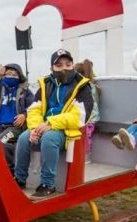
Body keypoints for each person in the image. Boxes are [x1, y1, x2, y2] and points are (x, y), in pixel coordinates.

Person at [14, 49, 94, 197]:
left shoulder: (82, 86)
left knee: (49, 138)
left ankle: (47, 184)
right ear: (52, 68)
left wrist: (50, 123)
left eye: (68, 64)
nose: (64, 68)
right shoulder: (45, 85)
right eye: (59, 65)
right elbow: (34, 109)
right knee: (23, 138)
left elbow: (80, 116)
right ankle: (19, 179)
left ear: (72, 66)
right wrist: (34, 128)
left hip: (67, 130)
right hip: (43, 126)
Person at [0, 63, 34, 173]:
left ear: (20, 77)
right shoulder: (0, 90)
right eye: (8, 73)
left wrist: (24, 115)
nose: (11, 76)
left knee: (2, 140)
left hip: (15, 127)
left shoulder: (25, 92)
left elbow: (34, 106)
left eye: (14, 74)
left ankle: (9, 171)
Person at [75, 60, 100, 162]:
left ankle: (86, 157)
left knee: (87, 136)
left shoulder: (87, 86)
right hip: (83, 117)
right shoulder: (88, 85)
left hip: (90, 117)